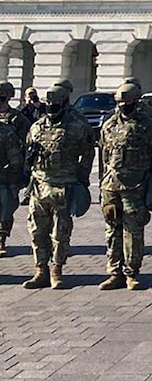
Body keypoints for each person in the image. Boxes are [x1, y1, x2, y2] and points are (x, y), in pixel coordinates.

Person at [23, 85, 95, 289]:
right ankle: (40, 270)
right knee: (37, 232)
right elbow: (29, 151)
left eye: (56, 103)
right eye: (48, 103)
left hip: (64, 187)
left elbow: (88, 153)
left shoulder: (76, 126)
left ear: (64, 103)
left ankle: (57, 269)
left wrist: (82, 179)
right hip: (39, 186)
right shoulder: (37, 127)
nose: (51, 107)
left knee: (60, 233)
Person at [97, 84, 152, 291]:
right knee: (112, 230)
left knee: (133, 230)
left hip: (136, 185)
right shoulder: (109, 125)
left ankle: (131, 272)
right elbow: (103, 156)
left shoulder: (147, 126)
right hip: (111, 185)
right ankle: (114, 272)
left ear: (136, 101)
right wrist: (103, 183)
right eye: (120, 103)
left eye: (127, 103)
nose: (123, 106)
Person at [0, 81, 31, 254]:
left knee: (5, 208)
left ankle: (1, 239)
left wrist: (22, 173)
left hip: (8, 172)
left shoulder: (18, 119)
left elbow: (27, 145)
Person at [0, 120, 23, 259]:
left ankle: (1, 239)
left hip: (2, 179)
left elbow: (15, 159)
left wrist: (14, 182)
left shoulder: (6, 132)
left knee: (4, 210)